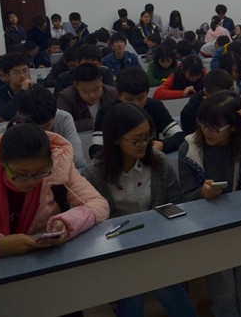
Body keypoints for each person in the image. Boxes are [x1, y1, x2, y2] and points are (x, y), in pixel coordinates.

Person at [81, 103, 196, 317]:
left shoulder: (158, 162)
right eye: (137, 139)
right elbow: (91, 222)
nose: (144, 144)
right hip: (117, 250)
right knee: (142, 278)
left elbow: (174, 202)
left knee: (142, 278)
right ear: (116, 138)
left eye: (148, 136)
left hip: (157, 244)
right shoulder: (93, 174)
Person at [178, 90, 241, 317]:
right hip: (209, 232)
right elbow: (185, 199)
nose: (206, 131)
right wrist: (202, 193)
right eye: (203, 124)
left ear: (234, 127)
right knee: (224, 295)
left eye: (215, 128)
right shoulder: (190, 149)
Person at [0, 120, 109, 259]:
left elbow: (98, 204)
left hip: (46, 256)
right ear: (2, 162)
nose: (31, 181)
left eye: (41, 172)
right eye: (21, 174)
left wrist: (67, 223)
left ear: (50, 160)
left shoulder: (60, 167)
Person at [90, 68, 184, 158]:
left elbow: (180, 136)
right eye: (129, 99)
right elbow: (96, 149)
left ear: (147, 92)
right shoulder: (107, 112)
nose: (136, 104)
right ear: (118, 96)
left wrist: (163, 145)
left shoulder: (155, 107)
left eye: (140, 98)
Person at [0, 85, 85, 170]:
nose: (42, 133)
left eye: (47, 126)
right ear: (19, 116)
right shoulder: (7, 131)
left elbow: (78, 160)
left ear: (55, 112)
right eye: (35, 128)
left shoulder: (63, 118)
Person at [57, 64, 116, 132]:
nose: (92, 95)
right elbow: (63, 125)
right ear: (76, 85)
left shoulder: (113, 94)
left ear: (101, 81)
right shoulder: (66, 97)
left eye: (96, 89)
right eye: (85, 91)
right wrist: (96, 122)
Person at [180, 68, 234, 136]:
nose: (227, 98)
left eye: (232, 90)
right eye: (220, 96)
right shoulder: (190, 111)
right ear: (207, 95)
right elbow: (192, 140)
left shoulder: (234, 104)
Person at [0, 52, 33, 122]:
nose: (22, 75)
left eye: (25, 71)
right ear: (8, 75)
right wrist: (23, 90)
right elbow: (7, 115)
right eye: (16, 72)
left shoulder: (37, 89)